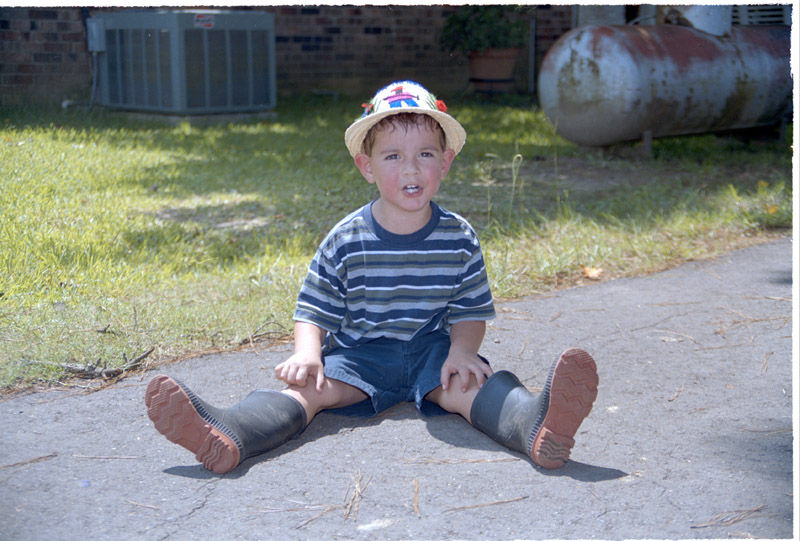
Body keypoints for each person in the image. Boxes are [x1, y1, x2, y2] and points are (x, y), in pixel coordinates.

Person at [145, 81, 598, 475]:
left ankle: (535, 426)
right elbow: (313, 307)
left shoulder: (458, 237)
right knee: (308, 391)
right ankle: (230, 433)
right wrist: (307, 354)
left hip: (429, 354)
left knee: (469, 385)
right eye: (393, 156)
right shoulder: (346, 239)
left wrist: (462, 351)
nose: (411, 168)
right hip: (358, 357)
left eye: (425, 154)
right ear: (367, 167)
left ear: (447, 162)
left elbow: (469, 310)